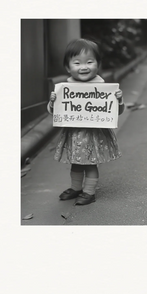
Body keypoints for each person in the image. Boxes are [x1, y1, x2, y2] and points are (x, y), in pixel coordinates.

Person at [47, 38, 124, 205]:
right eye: (77, 63)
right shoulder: (65, 88)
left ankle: (89, 192)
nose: (84, 67)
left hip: (93, 134)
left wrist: (119, 100)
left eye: (89, 62)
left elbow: (115, 111)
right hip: (74, 134)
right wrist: (53, 102)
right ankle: (76, 188)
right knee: (76, 163)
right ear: (68, 67)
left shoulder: (103, 87)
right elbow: (55, 112)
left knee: (90, 164)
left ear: (98, 64)